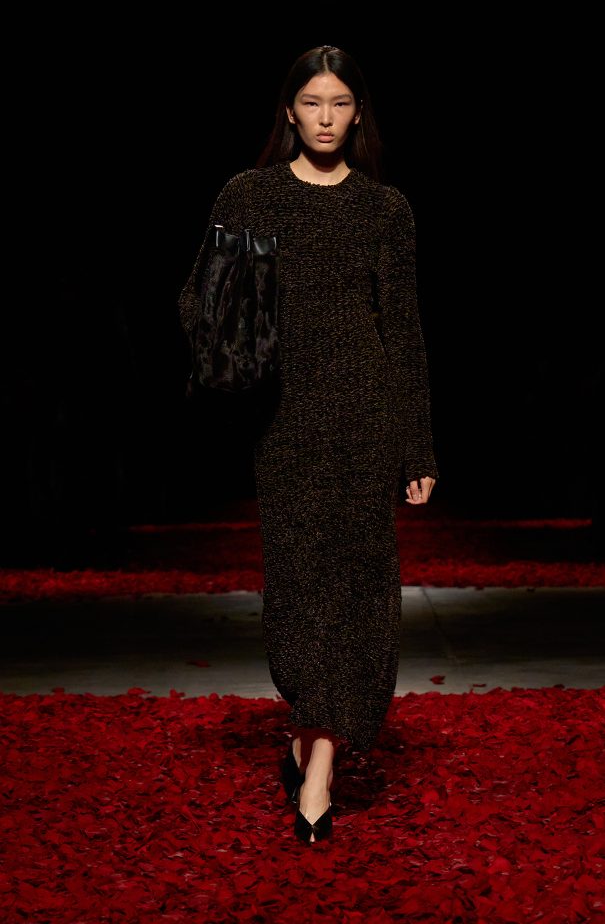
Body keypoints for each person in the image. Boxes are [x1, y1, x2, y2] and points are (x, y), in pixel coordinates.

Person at [178, 45, 437, 844]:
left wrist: (418, 448)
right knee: (298, 590)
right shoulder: (249, 195)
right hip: (285, 423)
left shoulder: (385, 209)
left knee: (358, 592)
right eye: (312, 102)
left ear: (359, 115)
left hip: (365, 416)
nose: (326, 118)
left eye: (340, 103)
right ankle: (308, 734)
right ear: (289, 111)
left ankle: (317, 768)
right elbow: (197, 302)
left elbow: (404, 334)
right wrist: (240, 340)